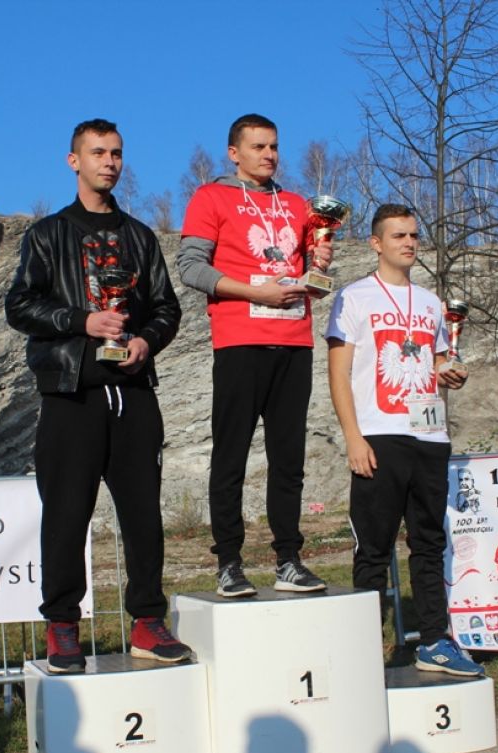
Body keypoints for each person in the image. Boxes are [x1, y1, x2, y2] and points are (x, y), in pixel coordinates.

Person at [5, 118, 192, 674]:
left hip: (133, 394)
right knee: (67, 514)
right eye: (98, 153)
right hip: (72, 393)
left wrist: (146, 340)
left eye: (116, 153)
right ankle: (62, 627)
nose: (109, 162)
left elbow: (167, 307)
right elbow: (20, 306)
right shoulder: (48, 234)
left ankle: (148, 622)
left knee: (143, 515)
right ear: (74, 161)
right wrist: (81, 321)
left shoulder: (140, 236)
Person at [324, 203, 483, 677]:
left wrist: (450, 372)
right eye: (398, 236)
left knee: (429, 543)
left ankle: (434, 640)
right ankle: (362, 651)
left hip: (429, 437)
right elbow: (338, 373)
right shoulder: (354, 297)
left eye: (414, 235)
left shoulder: (432, 303)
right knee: (373, 549)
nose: (409, 243)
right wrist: (353, 437)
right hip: (379, 435)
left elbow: (437, 361)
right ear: (376, 243)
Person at [177, 113, 332, 597]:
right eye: (258, 146)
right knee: (231, 458)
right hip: (240, 341)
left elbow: (311, 279)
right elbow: (190, 268)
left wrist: (321, 264)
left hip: (295, 342)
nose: (269, 155)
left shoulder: (299, 204)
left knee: (289, 461)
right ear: (234, 153)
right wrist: (253, 293)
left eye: (274, 146)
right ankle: (229, 563)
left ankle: (289, 560)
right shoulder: (210, 197)